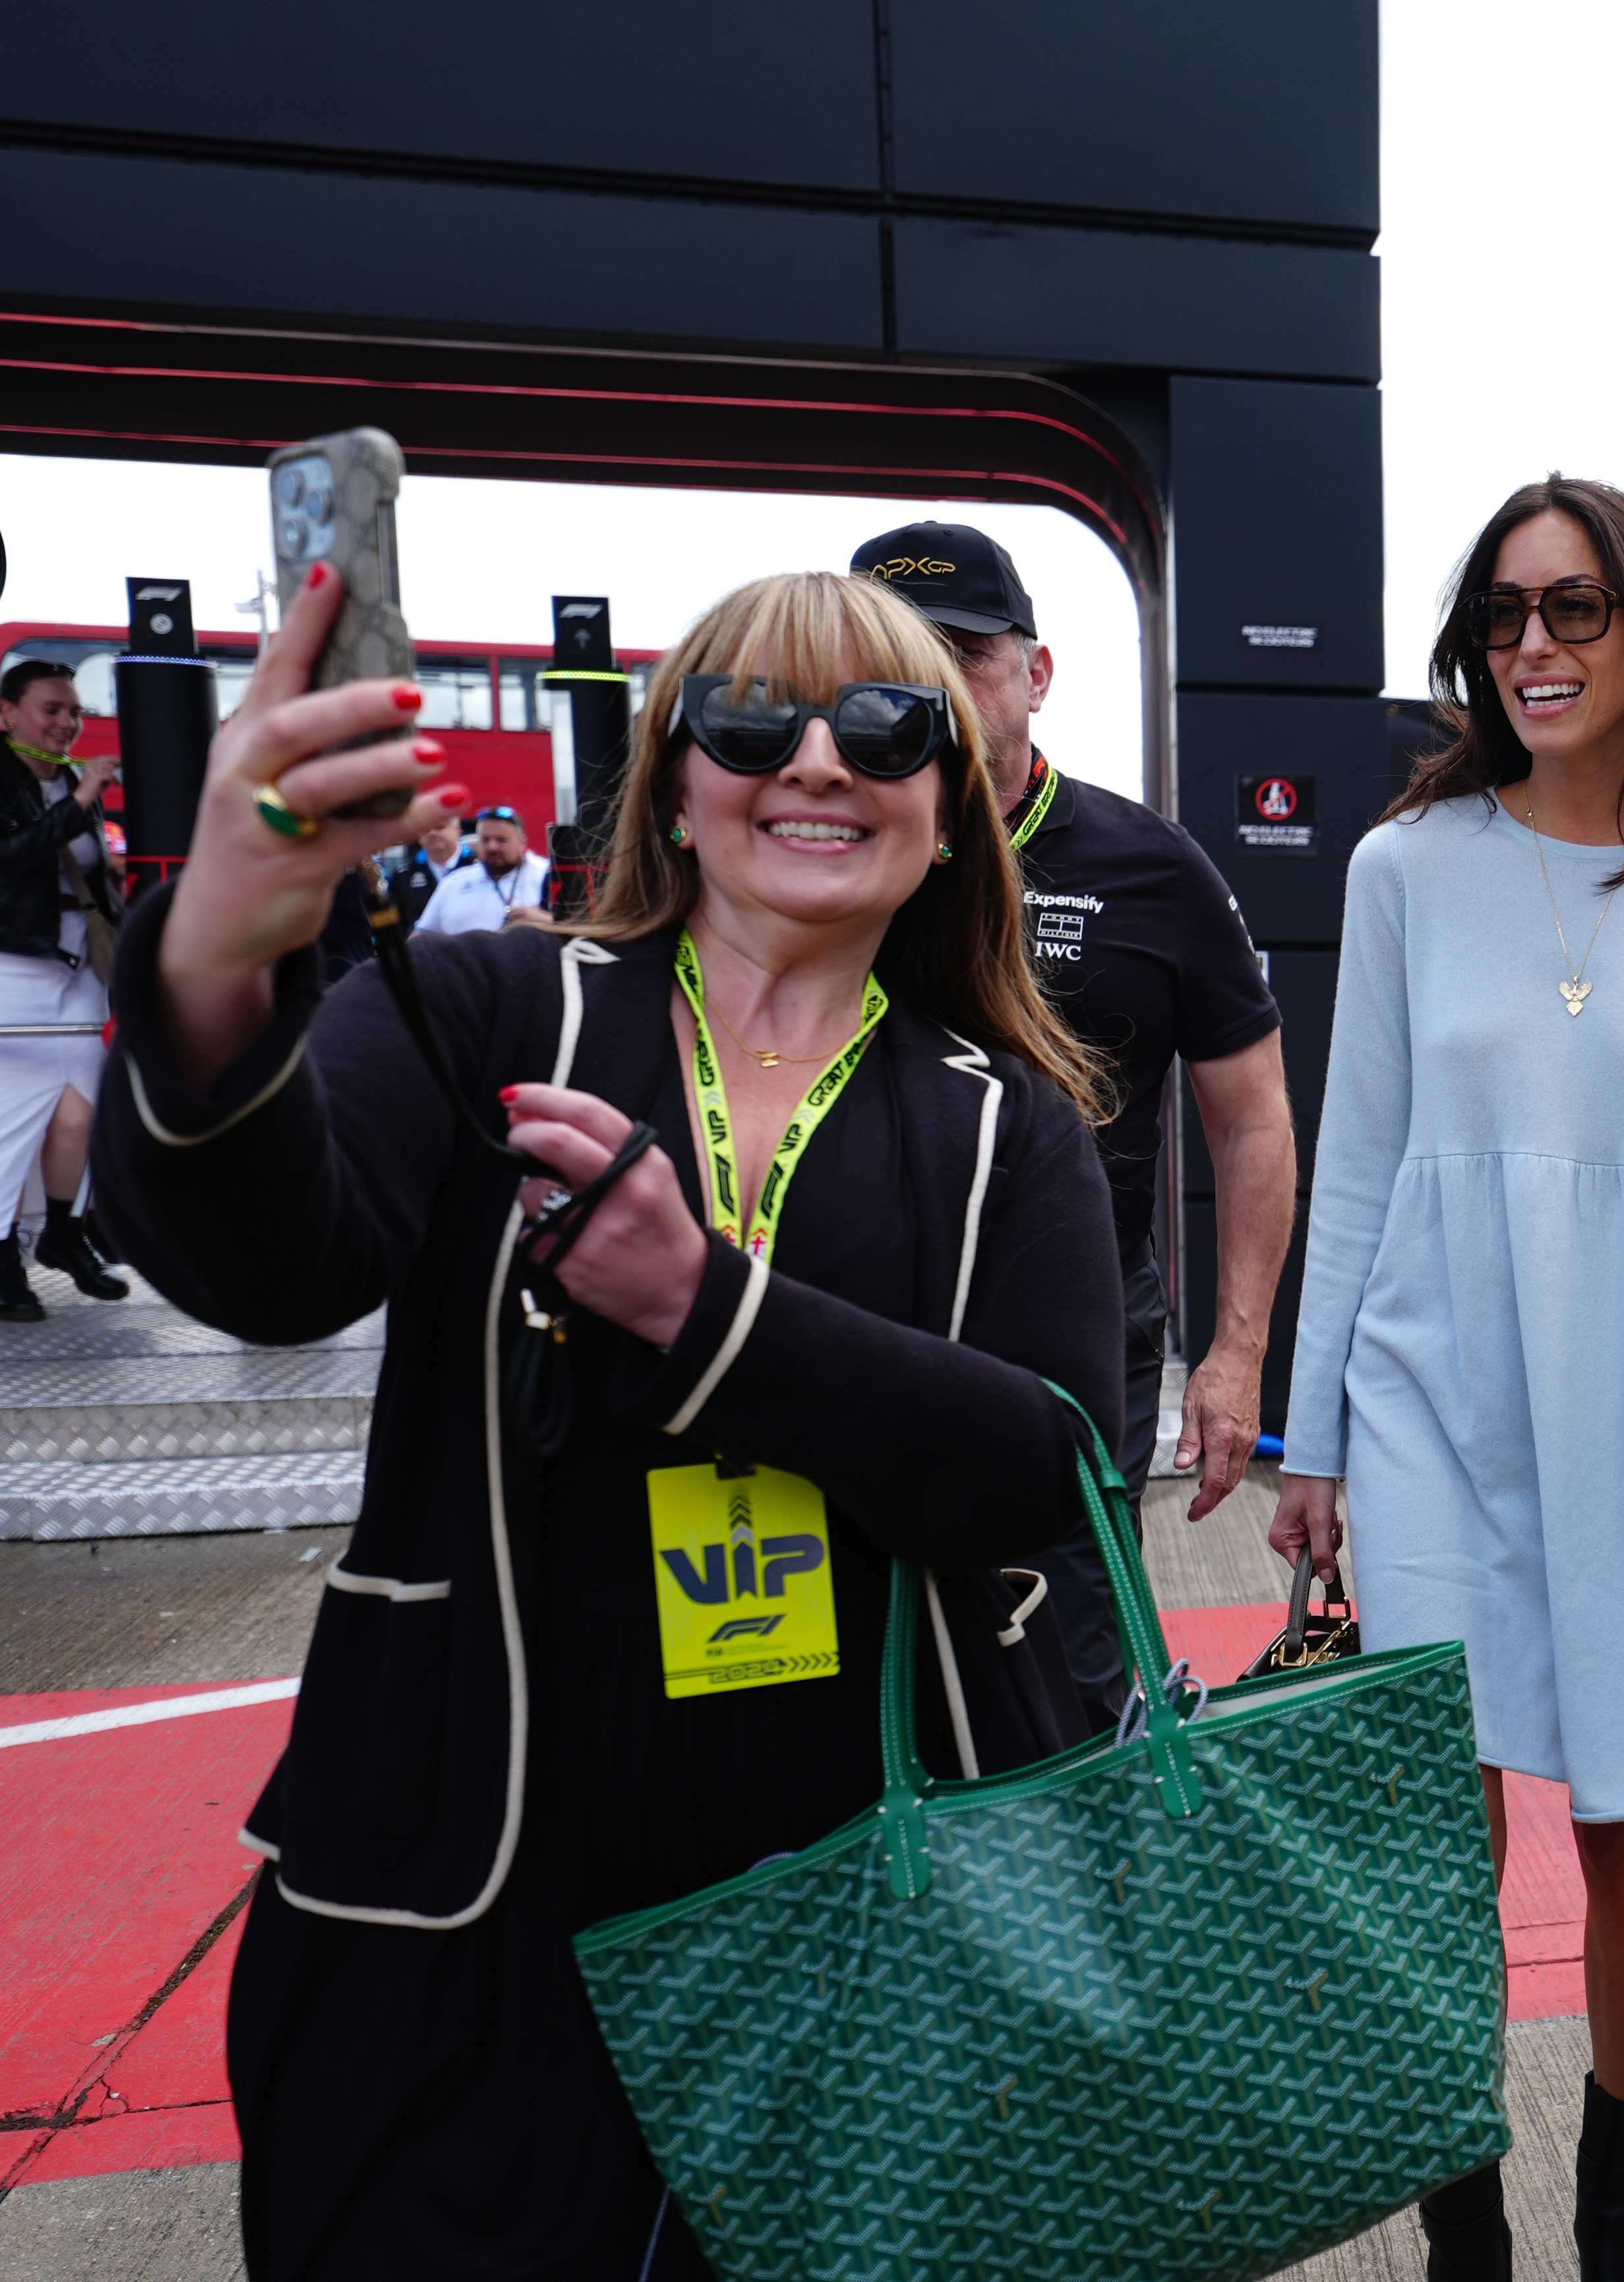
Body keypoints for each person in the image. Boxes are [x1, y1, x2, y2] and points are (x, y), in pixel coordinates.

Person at [90, 563, 1122, 2278]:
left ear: (949, 810)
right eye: (747, 720)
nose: (815, 761)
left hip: (876, 1920)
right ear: (672, 781)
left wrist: (699, 1309)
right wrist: (212, 951)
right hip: (472, 1900)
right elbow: (273, 1265)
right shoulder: (499, 1007)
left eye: (883, 727)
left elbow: (1040, 1464)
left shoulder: (1008, 1119)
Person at [1277, 474, 1624, 2282]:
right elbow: (1357, 1154)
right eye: (1503, 614)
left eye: (1573, 607)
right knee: (1445, 1823)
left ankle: (1619, 2183)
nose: (1532, 646)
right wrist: (1316, 1431)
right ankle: (1466, 2217)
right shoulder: (1404, 866)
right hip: (1437, 1388)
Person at [853, 521, 1295, 1698]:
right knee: (845, 1675)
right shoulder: (812, 852)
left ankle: (1086, 1865)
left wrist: (1236, 1355)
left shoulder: (1150, 866)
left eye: (966, 656)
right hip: (851, 1320)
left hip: (1071, 1335)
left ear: (1036, 674)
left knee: (1065, 1667)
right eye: (894, 662)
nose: (934, 690)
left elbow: (1252, 1121)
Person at [0, 655, 127, 1314]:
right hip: (12, 966)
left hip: (79, 969)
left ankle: (64, 1232)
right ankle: (1, 1260)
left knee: (79, 1112)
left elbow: (87, 876)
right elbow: (11, 859)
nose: (68, 724)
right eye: (52, 710)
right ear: (7, 713)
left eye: (74, 711)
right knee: (9, 1123)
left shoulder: (75, 779)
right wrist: (77, 805)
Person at [415, 804, 549, 933]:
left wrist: (544, 920)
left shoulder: (545, 875)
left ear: (522, 843)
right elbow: (421, 936)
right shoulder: (453, 883)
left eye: (501, 840)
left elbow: (569, 929)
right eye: (485, 840)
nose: (492, 847)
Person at [385, 811, 473, 927]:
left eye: (440, 828)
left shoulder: (477, 867)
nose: (432, 833)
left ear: (458, 830)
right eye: (426, 829)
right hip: (422, 943)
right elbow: (394, 923)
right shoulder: (403, 875)